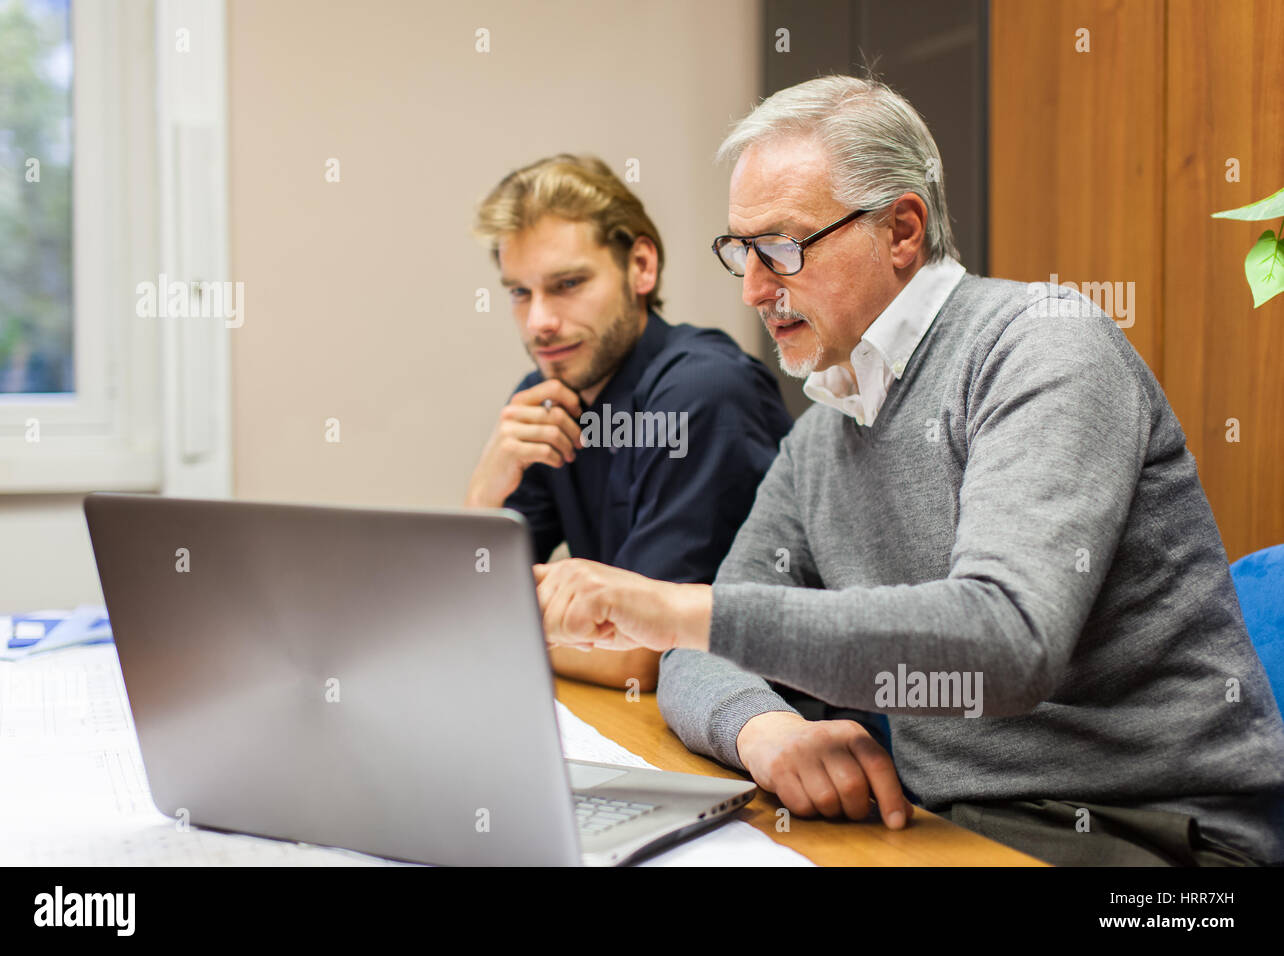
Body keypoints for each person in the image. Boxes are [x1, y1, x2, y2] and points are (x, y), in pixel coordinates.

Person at [532, 77, 1284, 866]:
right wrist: (765, 730)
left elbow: (1007, 639)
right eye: (740, 252)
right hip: (948, 827)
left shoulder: (1047, 348)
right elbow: (697, 658)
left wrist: (678, 609)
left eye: (782, 248)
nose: (754, 288)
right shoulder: (823, 435)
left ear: (900, 231)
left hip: (1157, 846)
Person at [468, 154, 793, 693]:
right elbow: (466, 599)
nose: (540, 322)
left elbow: (643, 655)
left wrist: (494, 629)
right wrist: (484, 490)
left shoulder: (704, 391)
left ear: (641, 265)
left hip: (754, 730)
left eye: (567, 284)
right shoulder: (544, 402)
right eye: (520, 293)